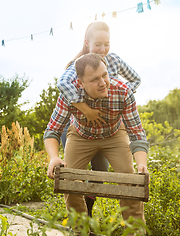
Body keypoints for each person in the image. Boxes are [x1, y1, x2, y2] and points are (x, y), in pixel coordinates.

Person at [44, 53, 149, 227]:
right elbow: (52, 130)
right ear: (81, 82)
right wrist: (54, 157)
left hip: (114, 135)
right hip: (81, 135)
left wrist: (141, 164)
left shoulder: (123, 92)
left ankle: (135, 231)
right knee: (69, 180)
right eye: (94, 79)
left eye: (105, 75)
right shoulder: (68, 96)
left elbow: (137, 133)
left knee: (130, 180)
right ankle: (80, 230)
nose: (103, 82)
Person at [58, 21, 141, 216]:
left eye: (107, 43)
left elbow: (135, 79)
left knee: (99, 174)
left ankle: (89, 210)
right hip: (80, 128)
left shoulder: (113, 60)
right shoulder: (77, 65)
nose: (103, 49)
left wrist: (120, 94)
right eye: (98, 44)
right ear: (87, 43)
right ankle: (80, 221)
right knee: (74, 176)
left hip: (109, 127)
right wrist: (85, 108)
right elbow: (62, 84)